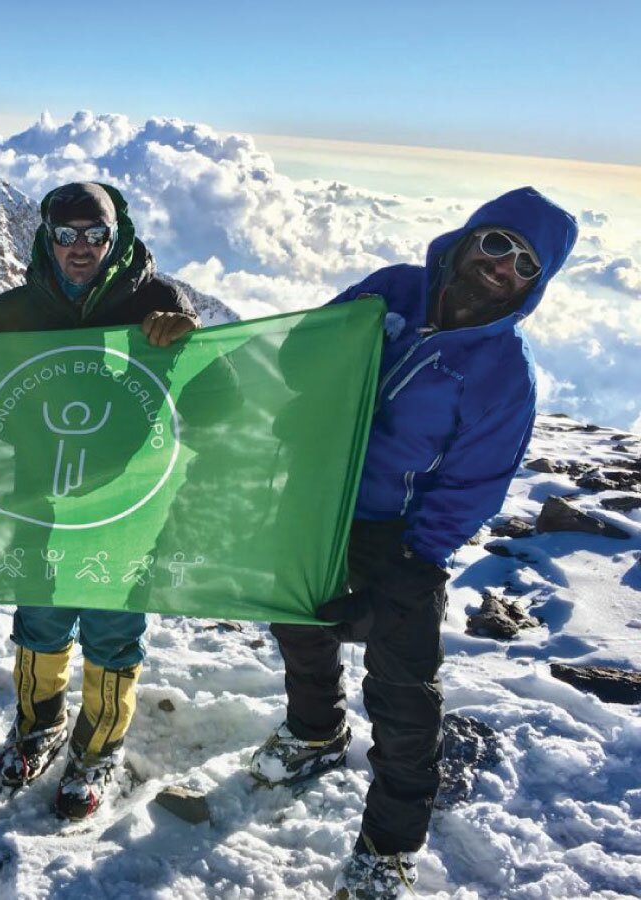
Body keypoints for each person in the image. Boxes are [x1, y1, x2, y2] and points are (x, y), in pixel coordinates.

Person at [250, 187, 578, 899]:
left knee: (404, 694)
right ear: (468, 238)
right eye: (498, 243)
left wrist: (417, 557)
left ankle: (388, 845)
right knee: (300, 623)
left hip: (402, 535)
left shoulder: (505, 376)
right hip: (317, 497)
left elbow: (474, 482)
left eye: (526, 264)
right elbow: (311, 346)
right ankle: (315, 734)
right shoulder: (395, 288)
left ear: (535, 285)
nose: (504, 267)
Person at [0, 182, 200, 819]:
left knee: (112, 626)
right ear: (46, 238)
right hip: (37, 496)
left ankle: (98, 746)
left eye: (95, 234)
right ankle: (38, 724)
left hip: (127, 502)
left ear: (116, 237)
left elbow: (202, 376)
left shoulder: (156, 301)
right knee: (42, 617)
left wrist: (188, 332)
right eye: (67, 234)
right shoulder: (13, 311)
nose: (81, 247)